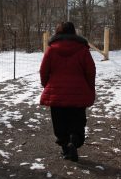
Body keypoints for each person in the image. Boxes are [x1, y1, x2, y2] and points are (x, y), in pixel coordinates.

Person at [39, 22, 96, 162]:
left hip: (57, 94)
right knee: (77, 121)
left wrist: (47, 85)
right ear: (74, 32)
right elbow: (90, 70)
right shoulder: (82, 49)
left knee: (60, 123)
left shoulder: (51, 49)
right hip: (78, 93)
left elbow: (43, 70)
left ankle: (65, 149)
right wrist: (89, 87)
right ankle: (74, 141)